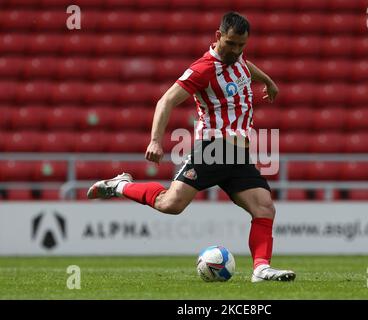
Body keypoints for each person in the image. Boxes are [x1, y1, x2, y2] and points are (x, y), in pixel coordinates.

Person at [87, 12, 295, 283]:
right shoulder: (203, 69)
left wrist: (267, 80)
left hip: (239, 155)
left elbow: (245, 64)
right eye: (231, 44)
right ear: (218, 36)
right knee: (171, 204)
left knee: (265, 208)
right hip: (213, 148)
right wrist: (155, 140)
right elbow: (166, 101)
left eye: (241, 45)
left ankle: (260, 269)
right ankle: (119, 185)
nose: (236, 50)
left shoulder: (237, 57)